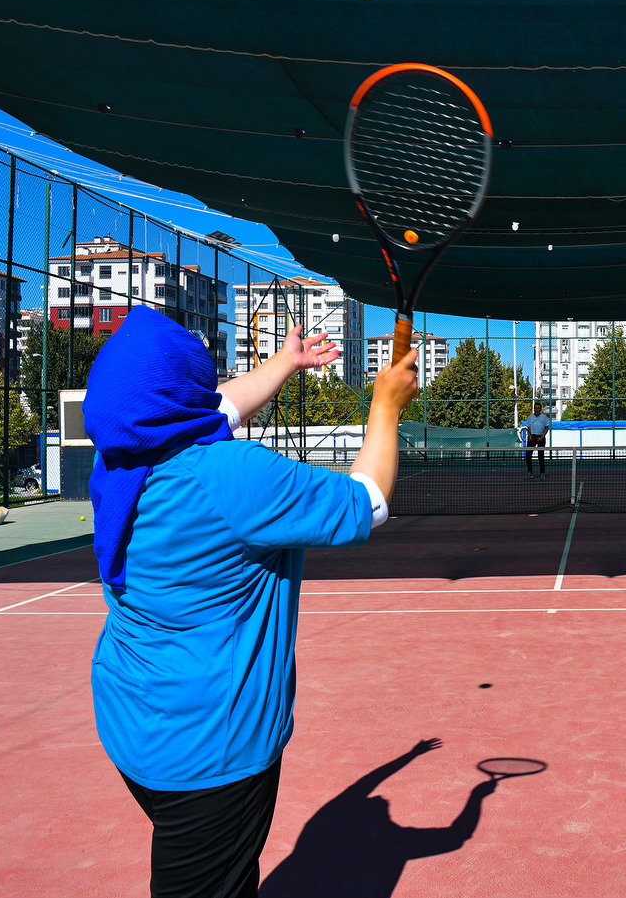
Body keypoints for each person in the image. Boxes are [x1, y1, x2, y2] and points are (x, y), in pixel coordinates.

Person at [82, 307, 418, 898]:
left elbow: (215, 409)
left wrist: (285, 363)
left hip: (134, 721)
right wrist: (385, 406)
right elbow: (369, 502)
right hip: (211, 746)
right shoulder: (232, 476)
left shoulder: (119, 457)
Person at [520, 400, 551, 480]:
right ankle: (530, 473)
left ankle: (542, 474)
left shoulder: (544, 417)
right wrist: (530, 435)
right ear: (534, 409)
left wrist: (542, 437)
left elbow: (547, 428)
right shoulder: (530, 417)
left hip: (541, 437)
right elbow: (529, 427)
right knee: (528, 455)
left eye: (538, 408)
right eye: (535, 408)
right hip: (532, 438)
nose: (536, 409)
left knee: (541, 456)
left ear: (540, 409)